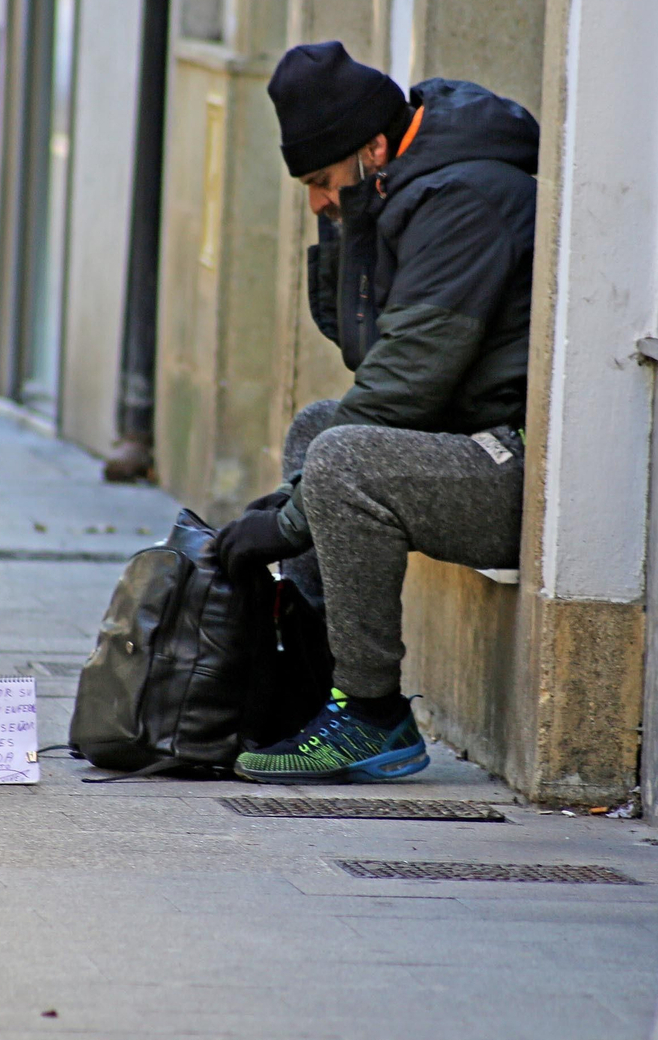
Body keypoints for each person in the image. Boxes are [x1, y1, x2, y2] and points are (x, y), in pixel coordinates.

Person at [214, 42, 538, 785]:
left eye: (323, 183)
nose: (317, 202)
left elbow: (405, 383)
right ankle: (309, 687)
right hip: (468, 433)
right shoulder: (401, 190)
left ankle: (371, 713)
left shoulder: (464, 200)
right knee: (315, 428)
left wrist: (286, 520)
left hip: (515, 462)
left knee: (341, 459)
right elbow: (365, 351)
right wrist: (350, 219)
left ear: (376, 147)